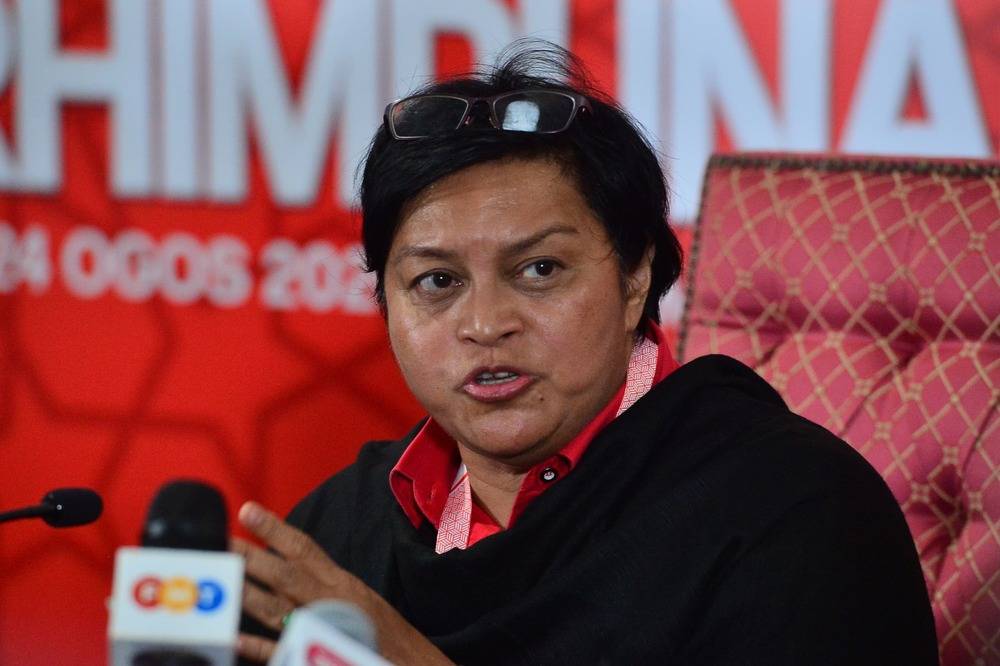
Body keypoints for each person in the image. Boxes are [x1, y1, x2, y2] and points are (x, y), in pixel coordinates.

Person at [233, 44, 938, 665]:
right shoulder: (342, 530)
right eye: (437, 282)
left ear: (636, 279)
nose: (485, 323)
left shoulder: (790, 513)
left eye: (539, 270)